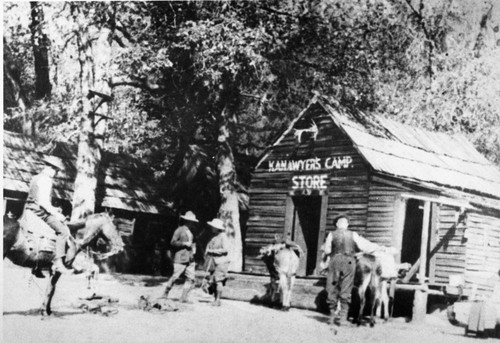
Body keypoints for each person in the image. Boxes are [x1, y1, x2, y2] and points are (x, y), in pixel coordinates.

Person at [323, 215, 387, 327]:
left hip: (335, 260)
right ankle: (343, 319)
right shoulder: (353, 234)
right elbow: (364, 247)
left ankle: (332, 317)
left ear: (337, 225)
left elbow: (327, 250)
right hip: (349, 261)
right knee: (346, 288)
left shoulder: (331, 234)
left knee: (333, 287)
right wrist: (378, 248)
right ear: (347, 225)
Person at [24, 155, 73, 275]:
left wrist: (55, 209)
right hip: (39, 211)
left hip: (30, 209)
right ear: (50, 168)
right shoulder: (46, 180)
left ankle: (38, 266)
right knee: (63, 231)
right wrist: (57, 214)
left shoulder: (36, 177)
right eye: (56, 171)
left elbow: (36, 199)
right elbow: (43, 203)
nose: (56, 174)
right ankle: (59, 263)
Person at [162, 211, 199, 303]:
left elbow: (193, 242)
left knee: (191, 278)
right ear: (186, 221)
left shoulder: (192, 231)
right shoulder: (179, 230)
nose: (191, 223)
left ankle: (183, 297)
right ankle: (165, 293)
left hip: (190, 258)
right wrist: (184, 243)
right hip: (180, 257)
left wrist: (194, 248)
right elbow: (173, 242)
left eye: (192, 221)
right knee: (175, 276)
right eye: (190, 221)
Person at [204, 218, 230, 307]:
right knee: (214, 280)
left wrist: (212, 251)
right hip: (214, 261)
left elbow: (225, 249)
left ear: (217, 227)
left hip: (221, 262)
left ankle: (218, 300)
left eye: (213, 227)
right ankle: (215, 298)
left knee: (218, 280)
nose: (211, 228)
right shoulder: (215, 237)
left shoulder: (223, 236)